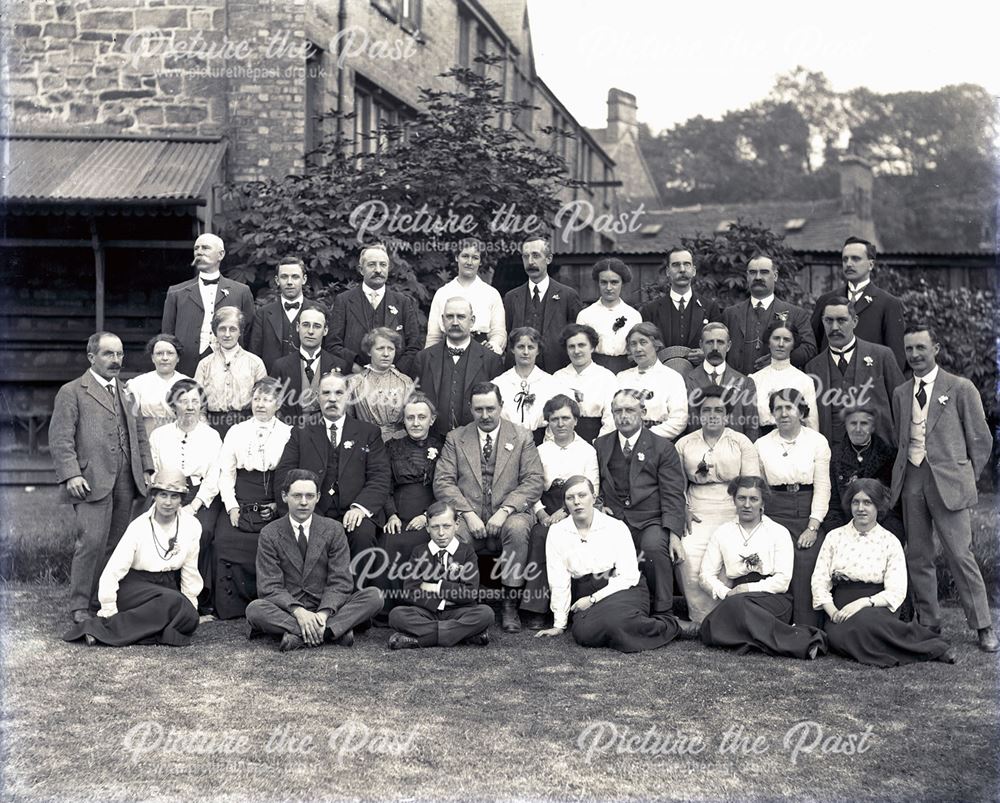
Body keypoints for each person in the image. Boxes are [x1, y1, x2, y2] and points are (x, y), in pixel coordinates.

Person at [890, 324, 997, 652]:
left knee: (960, 554)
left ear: (935, 348)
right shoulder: (901, 393)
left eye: (921, 348)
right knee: (919, 554)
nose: (915, 355)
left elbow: (981, 439)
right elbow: (901, 437)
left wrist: (965, 475)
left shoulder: (960, 387)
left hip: (949, 482)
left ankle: (983, 626)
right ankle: (931, 623)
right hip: (912, 479)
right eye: (909, 349)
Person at [49, 332, 154, 623]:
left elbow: (140, 434)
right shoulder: (72, 391)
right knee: (91, 541)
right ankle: (79, 605)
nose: (116, 360)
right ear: (91, 357)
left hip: (125, 478)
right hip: (90, 479)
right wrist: (71, 474)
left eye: (120, 354)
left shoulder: (127, 391)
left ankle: (101, 598)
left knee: (116, 543)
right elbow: (60, 439)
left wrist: (145, 468)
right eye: (108, 354)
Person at [535, 476, 696, 652]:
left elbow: (628, 576)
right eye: (570, 498)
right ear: (565, 502)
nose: (577, 502)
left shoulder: (615, 527)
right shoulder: (558, 532)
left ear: (593, 497)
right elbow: (558, 579)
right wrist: (560, 624)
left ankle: (673, 627)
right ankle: (646, 624)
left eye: (582, 495)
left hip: (624, 588)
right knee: (583, 633)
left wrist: (592, 599)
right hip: (584, 592)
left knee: (613, 622)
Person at [433, 382, 544, 633]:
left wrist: (505, 510)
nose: (485, 415)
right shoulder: (455, 438)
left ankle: (509, 605)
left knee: (517, 529)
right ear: (470, 409)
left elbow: (534, 480)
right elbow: (442, 482)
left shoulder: (522, 436)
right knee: (452, 533)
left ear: (501, 406)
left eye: (491, 409)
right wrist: (467, 514)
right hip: (468, 514)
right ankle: (458, 603)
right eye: (479, 409)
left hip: (509, 514)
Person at [812, 479, 955, 666]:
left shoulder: (889, 541)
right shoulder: (834, 537)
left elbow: (896, 590)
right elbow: (819, 580)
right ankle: (927, 648)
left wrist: (864, 603)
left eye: (867, 502)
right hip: (841, 608)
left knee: (865, 624)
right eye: (856, 502)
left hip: (876, 606)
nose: (861, 508)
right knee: (840, 636)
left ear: (878, 506)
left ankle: (933, 648)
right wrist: (832, 612)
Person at [62, 467, 202, 647]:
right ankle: (101, 627)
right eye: (163, 495)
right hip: (134, 587)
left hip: (167, 587)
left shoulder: (191, 526)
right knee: (174, 605)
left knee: (189, 617)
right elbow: (113, 571)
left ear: (182, 499)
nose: (168, 502)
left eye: (174, 496)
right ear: (154, 496)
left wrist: (190, 607)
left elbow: (191, 569)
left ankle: (123, 632)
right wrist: (109, 608)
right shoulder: (139, 526)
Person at [246, 469, 384, 651]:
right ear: (284, 496)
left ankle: (300, 635)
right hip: (290, 610)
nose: (304, 502)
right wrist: (299, 612)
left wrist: (323, 613)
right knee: (255, 609)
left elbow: (340, 582)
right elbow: (269, 587)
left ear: (318, 497)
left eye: (309, 496)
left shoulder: (333, 529)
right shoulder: (270, 533)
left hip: (327, 607)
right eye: (297, 496)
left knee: (375, 596)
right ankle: (333, 632)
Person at [274, 371, 390, 580]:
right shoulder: (301, 433)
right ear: (318, 397)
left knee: (363, 536)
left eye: (338, 393)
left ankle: (359, 603)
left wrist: (359, 508)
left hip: (354, 511)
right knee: (309, 538)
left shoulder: (368, 432)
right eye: (326, 393)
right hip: (313, 510)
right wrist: (304, 510)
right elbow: (285, 475)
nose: (332, 399)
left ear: (348, 396)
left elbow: (380, 477)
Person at [699, 476, 827, 659]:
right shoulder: (723, 532)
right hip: (735, 595)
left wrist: (747, 589)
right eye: (741, 498)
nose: (747, 505)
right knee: (716, 624)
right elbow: (706, 575)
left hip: (773, 597)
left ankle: (798, 641)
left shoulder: (778, 532)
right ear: (734, 500)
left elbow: (782, 580)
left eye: (753, 499)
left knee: (725, 619)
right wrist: (725, 592)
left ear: (763, 502)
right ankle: (762, 639)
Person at [594, 389, 687, 619]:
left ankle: (663, 610)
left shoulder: (662, 447)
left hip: (650, 519)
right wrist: (598, 504)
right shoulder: (601, 445)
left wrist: (674, 534)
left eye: (630, 410)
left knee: (654, 548)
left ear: (643, 412)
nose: (623, 416)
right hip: (613, 519)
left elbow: (673, 493)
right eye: (618, 411)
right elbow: (592, 482)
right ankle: (608, 608)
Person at [675, 386, 760, 624]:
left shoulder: (741, 442)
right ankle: (699, 619)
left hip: (732, 509)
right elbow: (676, 484)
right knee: (691, 554)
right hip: (696, 509)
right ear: (699, 414)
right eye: (707, 410)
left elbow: (751, 483)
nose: (712, 414)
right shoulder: (684, 444)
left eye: (718, 410)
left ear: (727, 414)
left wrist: (743, 514)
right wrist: (684, 508)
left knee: (727, 558)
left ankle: (723, 619)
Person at [213, 377, 293, 619]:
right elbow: (226, 473)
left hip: (273, 500)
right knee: (223, 540)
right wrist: (232, 508)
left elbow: (289, 474)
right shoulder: (236, 431)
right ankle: (231, 607)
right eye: (257, 398)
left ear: (278, 403)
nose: (260, 404)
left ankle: (272, 601)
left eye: (267, 399)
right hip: (241, 498)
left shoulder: (289, 433)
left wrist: (278, 506)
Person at [520, 395, 601, 629]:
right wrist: (542, 513)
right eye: (554, 419)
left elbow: (591, 487)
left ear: (576, 420)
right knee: (540, 536)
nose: (560, 424)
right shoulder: (540, 450)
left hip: (578, 506)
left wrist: (566, 512)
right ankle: (536, 608)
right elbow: (532, 486)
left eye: (566, 418)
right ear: (548, 423)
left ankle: (574, 605)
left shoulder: (587, 451)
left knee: (571, 538)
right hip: (546, 505)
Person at [755, 388, 831, 628]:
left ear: (801, 411)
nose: (783, 413)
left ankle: (808, 628)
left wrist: (813, 526)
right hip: (775, 513)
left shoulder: (817, 441)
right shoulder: (762, 444)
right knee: (776, 561)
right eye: (778, 408)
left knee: (806, 560)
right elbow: (760, 487)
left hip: (807, 511)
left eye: (789, 407)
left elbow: (822, 486)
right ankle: (776, 626)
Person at [148, 378, 223, 616]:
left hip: (201, 495)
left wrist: (196, 504)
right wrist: (164, 497)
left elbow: (214, 474)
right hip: (167, 493)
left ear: (201, 404)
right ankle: (166, 596)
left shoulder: (211, 436)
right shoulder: (159, 435)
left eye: (195, 400)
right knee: (162, 533)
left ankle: (199, 598)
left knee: (204, 532)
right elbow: (154, 469)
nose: (190, 406)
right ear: (173, 404)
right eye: (183, 400)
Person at [387, 502, 495, 650]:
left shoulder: (467, 552)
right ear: (427, 528)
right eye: (435, 527)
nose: (441, 533)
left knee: (486, 613)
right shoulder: (420, 552)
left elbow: (469, 592)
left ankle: (420, 640)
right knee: (396, 615)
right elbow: (410, 591)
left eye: (446, 526)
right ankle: (464, 635)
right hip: (427, 611)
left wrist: (435, 586)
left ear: (457, 524)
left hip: (459, 611)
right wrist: (441, 603)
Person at [378, 394, 447, 609]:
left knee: (422, 541)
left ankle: (421, 604)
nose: (416, 423)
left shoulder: (444, 445)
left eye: (421, 417)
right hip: (399, 510)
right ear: (404, 420)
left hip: (431, 509)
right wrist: (391, 514)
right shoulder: (392, 446)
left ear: (432, 419)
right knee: (391, 540)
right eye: (410, 418)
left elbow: (447, 485)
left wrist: (428, 516)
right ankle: (390, 608)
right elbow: (384, 484)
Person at [805, 297, 903, 446]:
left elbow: (902, 405)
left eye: (842, 320)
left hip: (879, 452)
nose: (835, 327)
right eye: (829, 321)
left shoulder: (881, 356)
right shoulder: (813, 368)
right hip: (833, 455)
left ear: (855, 321)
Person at [161, 233, 255, 377]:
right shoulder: (176, 292)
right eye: (196, 248)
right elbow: (167, 335)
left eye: (205, 248)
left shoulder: (241, 291)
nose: (199, 252)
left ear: (221, 254)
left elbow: (248, 332)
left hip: (231, 366)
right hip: (186, 365)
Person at [411, 297, 503, 439]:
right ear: (442, 320)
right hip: (432, 440)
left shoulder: (491, 360)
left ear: (472, 321)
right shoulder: (423, 358)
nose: (454, 322)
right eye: (449, 317)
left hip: (475, 441)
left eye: (460, 317)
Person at [811, 237, 906, 371]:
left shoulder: (888, 303)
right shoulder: (826, 300)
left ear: (871, 264)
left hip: (870, 382)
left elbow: (896, 358)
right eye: (845, 259)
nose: (849, 264)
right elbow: (812, 345)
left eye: (855, 259)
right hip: (829, 382)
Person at [327, 243, 421, 377]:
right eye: (372, 265)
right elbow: (332, 344)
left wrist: (396, 372)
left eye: (383, 265)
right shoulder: (344, 300)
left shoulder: (403, 302)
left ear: (388, 268)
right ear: (361, 269)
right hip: (354, 379)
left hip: (394, 383)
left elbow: (414, 345)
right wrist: (354, 366)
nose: (378, 270)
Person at [721, 255, 816, 375]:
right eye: (753, 273)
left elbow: (809, 348)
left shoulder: (796, 314)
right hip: (737, 387)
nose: (758, 277)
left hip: (778, 388)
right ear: (747, 277)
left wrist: (779, 360)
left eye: (764, 272)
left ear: (775, 276)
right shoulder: (730, 314)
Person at [823, 402, 902, 540]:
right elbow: (833, 504)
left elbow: (893, 504)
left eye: (864, 424)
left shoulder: (888, 455)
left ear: (872, 427)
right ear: (846, 425)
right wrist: (842, 534)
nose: (858, 429)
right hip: (845, 523)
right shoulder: (834, 456)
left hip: (882, 523)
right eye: (853, 423)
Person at [503, 236, 582, 372]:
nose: (530, 262)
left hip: (557, 371)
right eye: (526, 256)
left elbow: (575, 336)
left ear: (548, 259)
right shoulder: (511, 297)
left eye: (536, 256)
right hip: (520, 372)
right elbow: (507, 335)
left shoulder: (567, 295)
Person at [640, 248, 721, 367]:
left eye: (686, 264)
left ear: (693, 271)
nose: (682, 269)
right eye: (676, 265)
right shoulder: (651, 310)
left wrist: (707, 354)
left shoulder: (710, 308)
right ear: (668, 272)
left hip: (700, 379)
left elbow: (719, 346)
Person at [271, 302, 350, 425]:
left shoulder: (340, 365)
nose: (311, 331)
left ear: (325, 330)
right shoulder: (280, 366)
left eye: (317, 326)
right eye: (306, 325)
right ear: (298, 327)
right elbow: (273, 406)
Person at [194, 306, 267, 437]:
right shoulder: (205, 364)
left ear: (240, 332)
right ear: (215, 332)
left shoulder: (255, 363)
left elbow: (263, 400)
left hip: (246, 425)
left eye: (233, 329)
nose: (227, 334)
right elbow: (198, 402)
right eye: (222, 329)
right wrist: (205, 429)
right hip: (213, 425)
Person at [425, 238, 506, 354]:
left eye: (475, 258)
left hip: (482, 354)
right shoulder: (442, 293)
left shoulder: (491, 294)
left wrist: (492, 347)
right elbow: (433, 336)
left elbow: (498, 332)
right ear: (457, 257)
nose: (469, 262)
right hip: (447, 355)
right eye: (465, 256)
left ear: (481, 261)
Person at [682, 323, 759, 440]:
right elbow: (682, 425)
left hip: (734, 453)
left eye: (720, 342)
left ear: (728, 346)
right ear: (701, 345)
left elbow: (751, 429)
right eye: (709, 342)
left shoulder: (745, 383)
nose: (715, 348)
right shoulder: (686, 381)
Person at [491, 327, 568, 442]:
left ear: (538, 351)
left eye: (531, 347)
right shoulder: (498, 384)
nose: (526, 352)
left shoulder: (552, 384)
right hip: (506, 442)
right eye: (521, 347)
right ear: (512, 349)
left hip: (541, 442)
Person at [613, 322, 688, 440]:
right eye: (633, 344)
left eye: (643, 342)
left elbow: (679, 420)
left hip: (658, 442)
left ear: (656, 345)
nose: (638, 349)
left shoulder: (672, 378)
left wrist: (643, 437)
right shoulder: (621, 377)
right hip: (624, 440)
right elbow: (611, 414)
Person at [749, 321, 819, 434]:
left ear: (793, 344)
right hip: (762, 443)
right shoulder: (754, 380)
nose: (781, 344)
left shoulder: (804, 380)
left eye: (787, 340)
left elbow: (812, 424)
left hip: (796, 443)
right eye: (776, 338)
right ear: (768, 342)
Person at [346, 326, 416, 442]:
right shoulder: (355, 383)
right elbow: (348, 421)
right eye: (380, 348)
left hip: (400, 444)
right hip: (366, 442)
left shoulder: (406, 382)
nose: (386, 354)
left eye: (390, 349)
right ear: (369, 351)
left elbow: (413, 417)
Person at [551, 323, 617, 444]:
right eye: (571, 346)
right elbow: (551, 416)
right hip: (562, 439)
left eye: (581, 345)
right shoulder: (557, 377)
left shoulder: (606, 377)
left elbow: (611, 418)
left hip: (596, 437)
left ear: (592, 347)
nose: (576, 351)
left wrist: (599, 444)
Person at [575, 257, 642, 374]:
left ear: (623, 283)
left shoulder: (633, 315)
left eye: (614, 282)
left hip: (626, 370)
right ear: (598, 283)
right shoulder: (585, 315)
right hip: (594, 371)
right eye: (604, 282)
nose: (609, 288)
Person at [248, 256, 309, 374]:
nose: (289, 282)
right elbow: (254, 354)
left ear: (304, 279)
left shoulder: (318, 311)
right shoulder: (263, 313)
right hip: (272, 383)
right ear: (277, 280)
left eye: (295, 277)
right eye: (284, 277)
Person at [125, 333, 189, 438]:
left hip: (179, 439)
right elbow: (130, 419)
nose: (165, 358)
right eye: (159, 353)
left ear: (178, 358)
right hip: (147, 438)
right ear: (152, 358)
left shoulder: (188, 383)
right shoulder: (138, 383)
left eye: (170, 353)